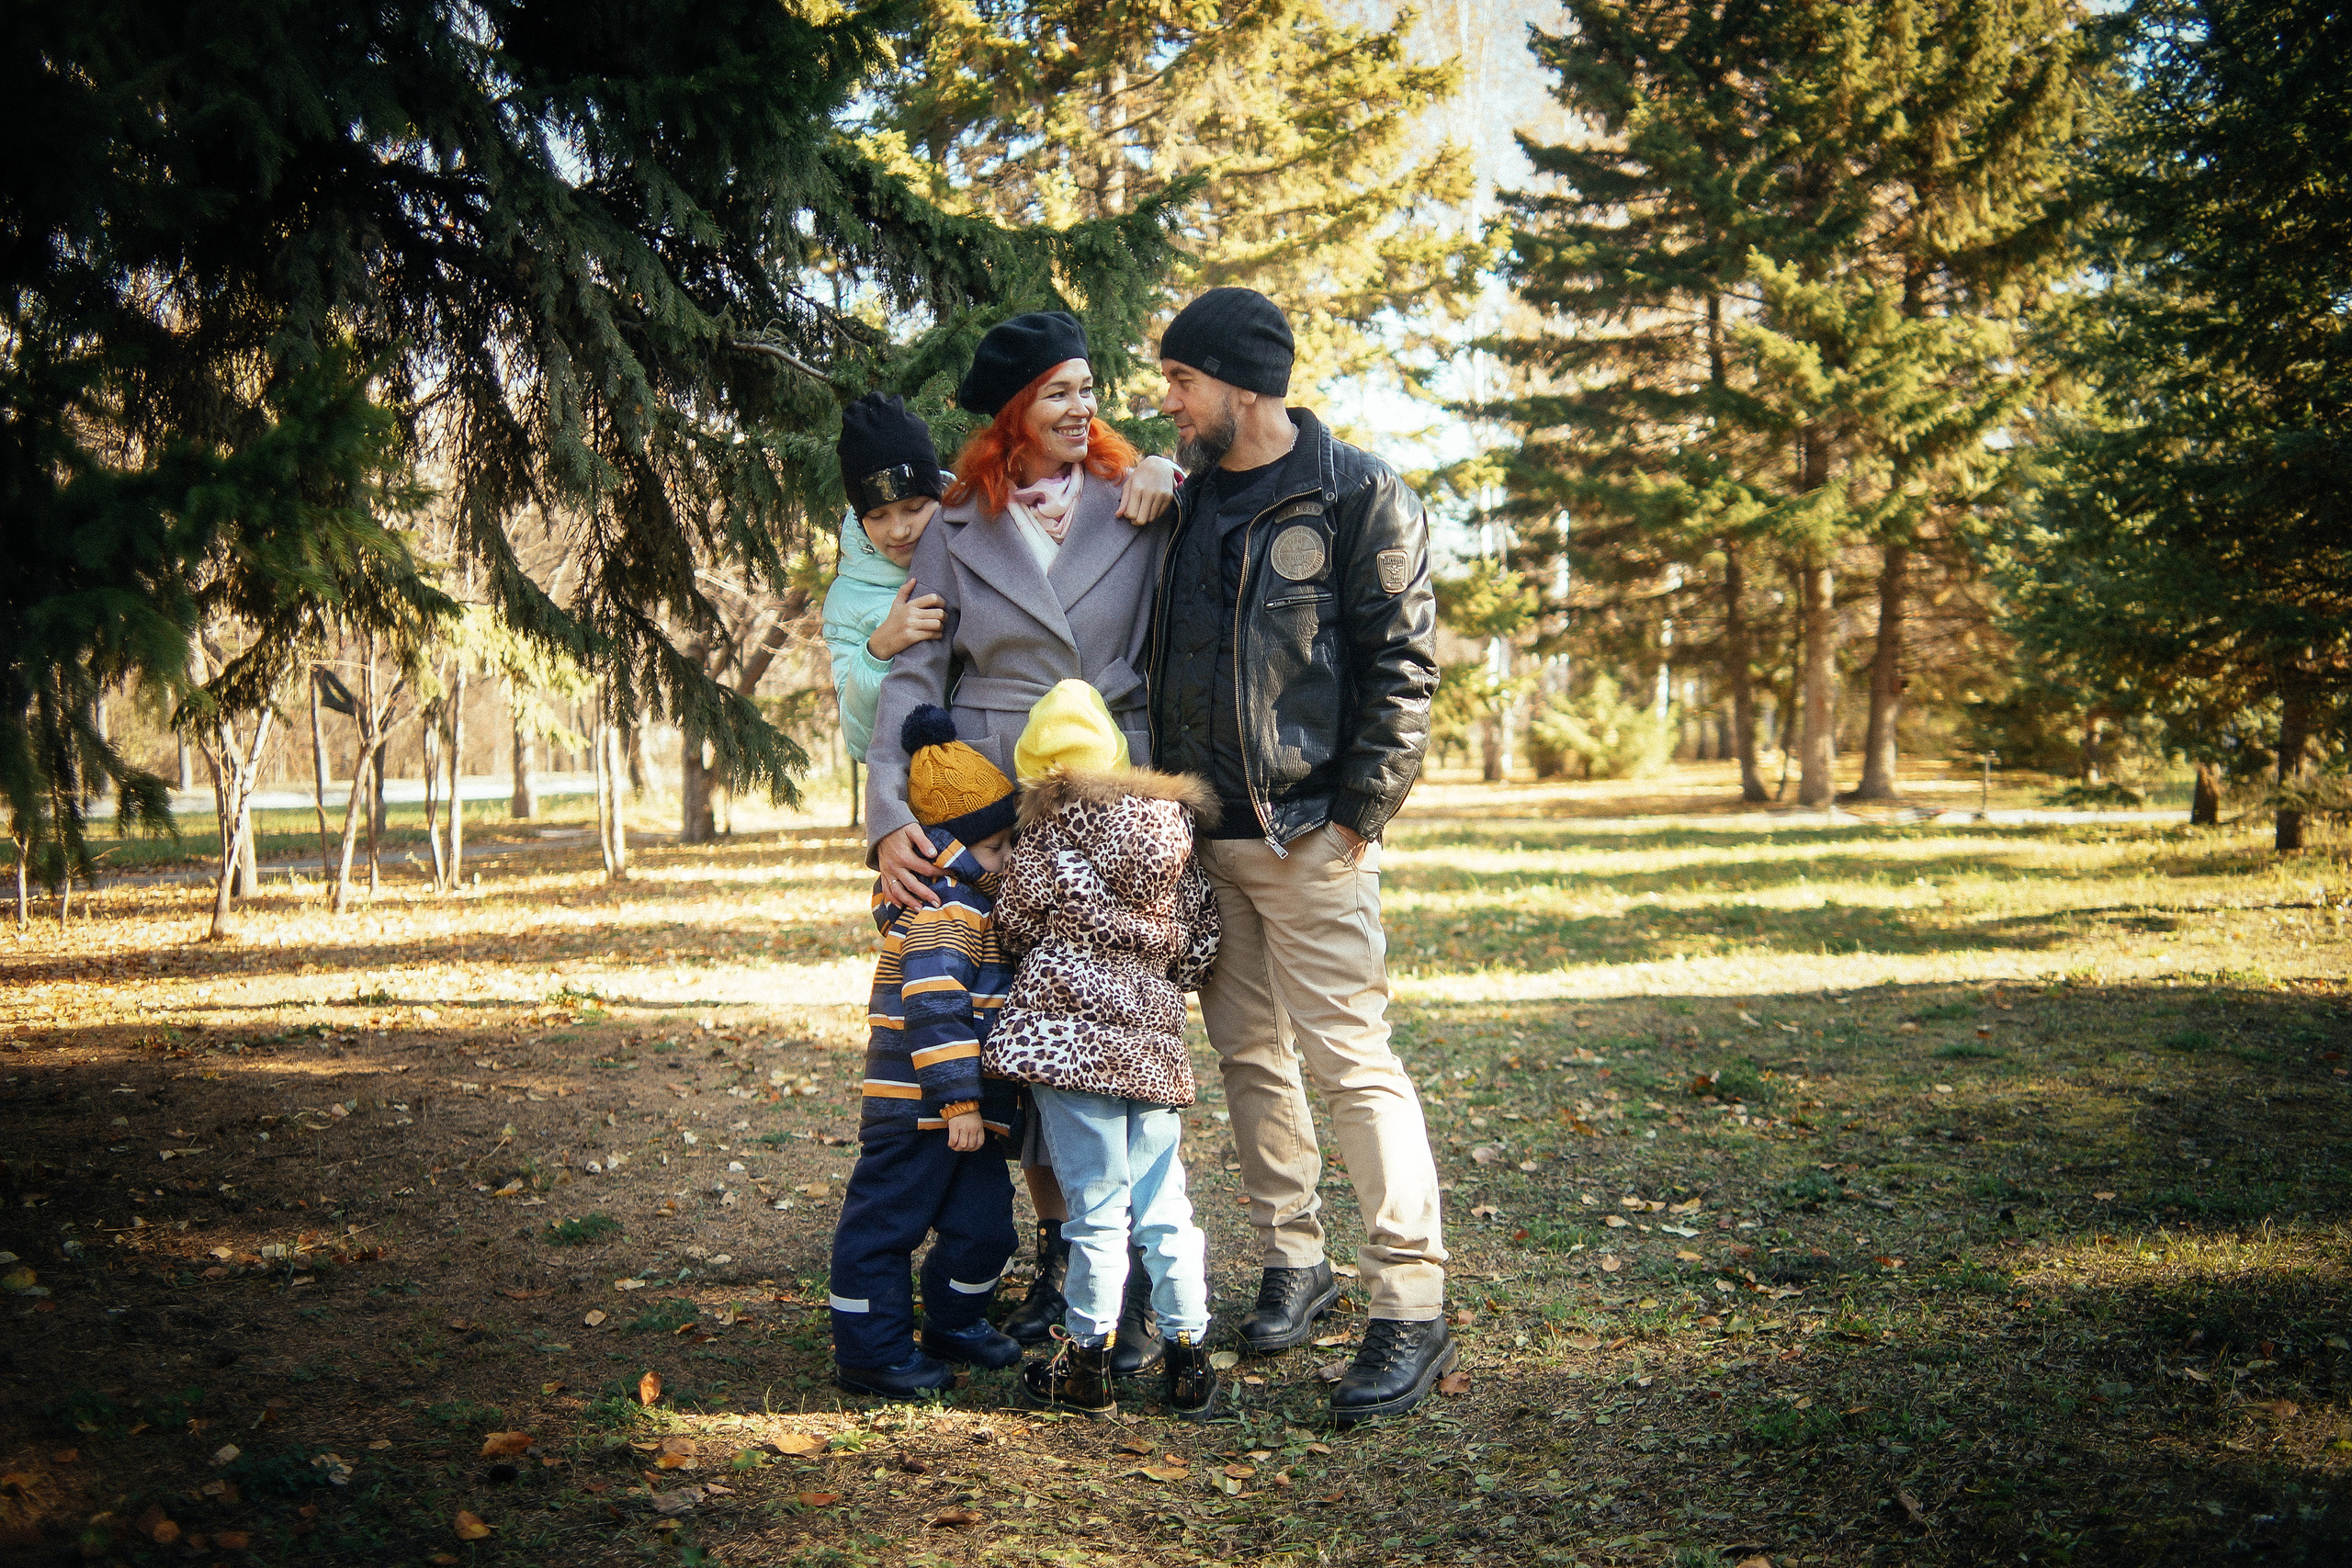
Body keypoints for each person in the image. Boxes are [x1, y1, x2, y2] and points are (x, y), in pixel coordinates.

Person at [1143, 287, 1451, 1425]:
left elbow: (1403, 674)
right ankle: (1293, 1262)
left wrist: (1357, 821)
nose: (1166, 399)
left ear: (1243, 384)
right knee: (1249, 1058)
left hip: (1308, 831)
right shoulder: (1175, 504)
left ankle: (1410, 1303)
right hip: (1202, 837)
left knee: (1352, 1061)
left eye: (1182, 380)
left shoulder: (1360, 494)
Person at [865, 310, 1181, 1376]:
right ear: (1013, 414)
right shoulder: (957, 525)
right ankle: (1061, 1262)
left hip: (1111, 792)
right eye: (1057, 392)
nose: (1082, 407)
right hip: (996, 802)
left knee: (1115, 1024)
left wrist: (1172, 473)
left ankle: (1133, 1272)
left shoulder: (1140, 498)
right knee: (1026, 1031)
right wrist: (888, 819)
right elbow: (913, 679)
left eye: (1089, 387)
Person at [985, 681, 1222, 1419]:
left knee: (1095, 1204)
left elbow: (1015, 920)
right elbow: (1201, 936)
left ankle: (1086, 1359)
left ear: (1041, 771)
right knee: (1164, 1202)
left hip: (1068, 1042)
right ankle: (1190, 1355)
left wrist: (1055, 946)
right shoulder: (1171, 828)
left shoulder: (1049, 831)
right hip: (1150, 1042)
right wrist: (1158, 972)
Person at [829, 706, 1024, 1398]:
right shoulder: (947, 910)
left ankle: (955, 1319)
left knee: (985, 1226)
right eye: (999, 846)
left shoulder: (976, 907)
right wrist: (961, 1099)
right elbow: (935, 1005)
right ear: (951, 844)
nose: (1007, 861)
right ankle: (871, 1350)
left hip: (963, 1116)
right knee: (885, 1225)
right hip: (920, 1109)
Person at [821, 392, 949, 760]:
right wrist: (878, 651)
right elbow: (859, 742)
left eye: (914, 508)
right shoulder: (847, 601)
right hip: (920, 792)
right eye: (877, 516)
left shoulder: (980, 544)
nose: (898, 531)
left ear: (939, 496)